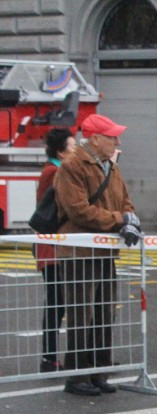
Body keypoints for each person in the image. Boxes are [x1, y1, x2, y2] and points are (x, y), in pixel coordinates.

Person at [53, 113, 142, 397]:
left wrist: (129, 218)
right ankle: (77, 375)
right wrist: (120, 220)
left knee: (104, 312)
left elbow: (126, 201)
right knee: (82, 313)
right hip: (79, 251)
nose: (117, 141)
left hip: (104, 250)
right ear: (95, 139)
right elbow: (78, 210)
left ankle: (98, 371)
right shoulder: (73, 166)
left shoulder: (110, 168)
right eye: (112, 136)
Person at [34, 127, 76, 373]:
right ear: (61, 151)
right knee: (56, 304)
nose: (76, 150)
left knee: (57, 303)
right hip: (51, 249)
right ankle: (49, 358)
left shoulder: (55, 169)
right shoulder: (54, 172)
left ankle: (50, 358)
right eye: (72, 146)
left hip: (54, 246)